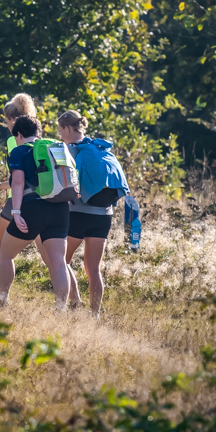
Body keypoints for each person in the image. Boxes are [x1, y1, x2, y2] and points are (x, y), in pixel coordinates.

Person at [0, 113, 72, 308]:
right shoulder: (52, 149)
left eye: (16, 137)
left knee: (6, 254)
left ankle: (2, 301)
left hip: (33, 208)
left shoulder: (19, 151)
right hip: (60, 208)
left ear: (19, 134)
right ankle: (61, 308)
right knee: (58, 262)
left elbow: (18, 182)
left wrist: (16, 212)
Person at [56, 110, 124, 315]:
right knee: (93, 269)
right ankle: (95, 314)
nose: (60, 135)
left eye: (60, 130)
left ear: (67, 128)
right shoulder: (99, 147)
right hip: (104, 215)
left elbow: (60, 182)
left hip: (78, 212)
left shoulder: (68, 150)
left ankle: (73, 302)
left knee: (60, 261)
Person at [0, 93, 36, 299]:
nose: (6, 125)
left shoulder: (13, 141)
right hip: (43, 201)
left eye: (6, 120)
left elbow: (19, 178)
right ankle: (72, 300)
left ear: (12, 120)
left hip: (17, 200)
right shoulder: (38, 138)